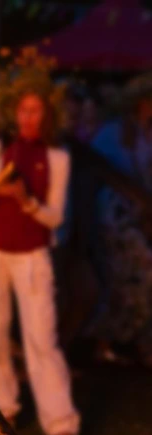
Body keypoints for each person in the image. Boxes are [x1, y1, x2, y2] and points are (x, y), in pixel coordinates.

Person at [0, 88, 80, 435]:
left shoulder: (56, 158)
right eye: (24, 110)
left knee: (41, 340)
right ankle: (2, 416)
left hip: (32, 255)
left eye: (37, 111)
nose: (29, 118)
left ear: (48, 115)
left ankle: (62, 426)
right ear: (14, 114)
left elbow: (55, 217)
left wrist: (25, 201)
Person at [90, 74, 152, 365]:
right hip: (117, 213)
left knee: (137, 276)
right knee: (121, 274)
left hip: (139, 213)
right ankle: (105, 341)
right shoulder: (115, 131)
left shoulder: (144, 133)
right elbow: (98, 165)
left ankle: (129, 341)